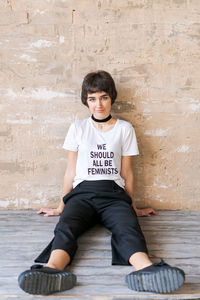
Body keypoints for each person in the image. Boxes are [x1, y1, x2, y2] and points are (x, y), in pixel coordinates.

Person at [18, 70, 185, 295]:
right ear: (86, 101)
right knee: (66, 227)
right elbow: (70, 171)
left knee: (128, 228)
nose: (99, 104)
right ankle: (50, 271)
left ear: (111, 98)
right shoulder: (78, 128)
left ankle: (148, 270)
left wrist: (132, 206)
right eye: (92, 98)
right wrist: (61, 205)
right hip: (82, 193)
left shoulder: (124, 129)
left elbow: (127, 172)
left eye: (104, 97)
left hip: (114, 194)